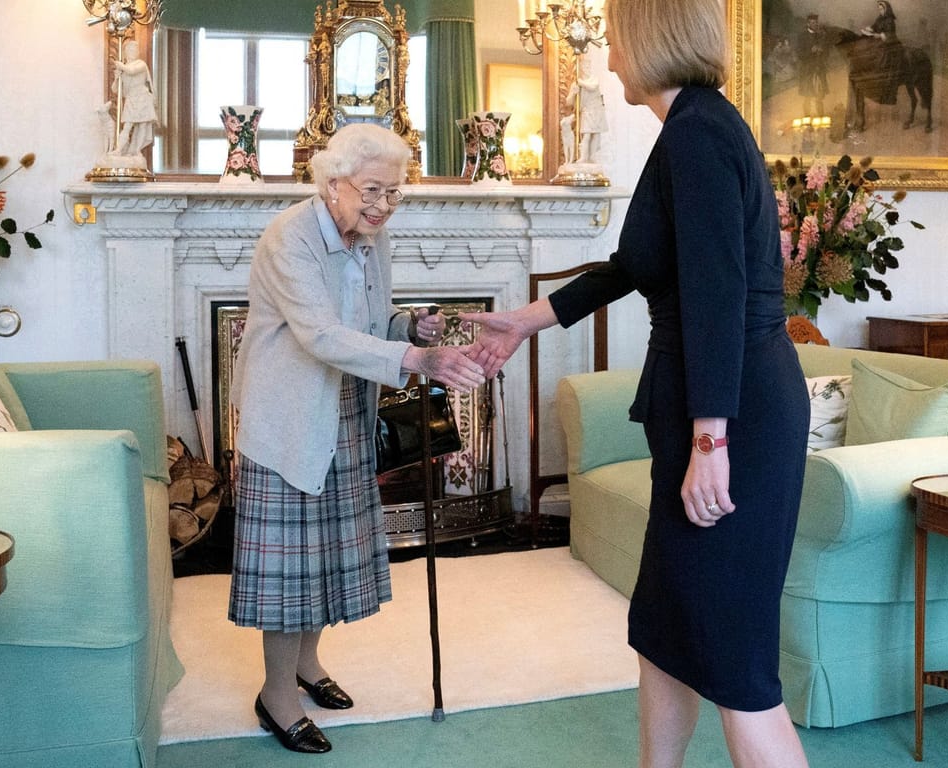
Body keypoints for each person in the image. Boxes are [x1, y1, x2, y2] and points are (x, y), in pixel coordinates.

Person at [464, 1, 811, 765]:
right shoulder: (688, 129)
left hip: (736, 416)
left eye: (616, 40)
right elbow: (637, 265)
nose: (610, 57)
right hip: (708, 405)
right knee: (664, 625)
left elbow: (718, 296)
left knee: (734, 659)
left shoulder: (697, 135)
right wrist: (529, 319)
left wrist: (711, 440)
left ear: (650, 39)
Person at [227, 123, 487, 754]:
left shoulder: (373, 240)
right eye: (373, 190)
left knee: (326, 556)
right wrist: (415, 362)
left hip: (345, 410)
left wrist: (413, 325)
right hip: (289, 417)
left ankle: (307, 666)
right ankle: (276, 697)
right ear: (332, 183)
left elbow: (371, 321)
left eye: (394, 194)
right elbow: (318, 334)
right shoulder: (290, 238)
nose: (382, 205)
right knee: (290, 569)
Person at [112, 39, 157, 159]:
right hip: (131, 99)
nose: (133, 51)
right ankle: (118, 150)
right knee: (127, 125)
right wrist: (117, 78)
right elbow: (115, 90)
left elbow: (132, 71)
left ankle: (136, 151)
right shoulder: (124, 68)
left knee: (142, 125)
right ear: (125, 52)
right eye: (130, 49)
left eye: (135, 49)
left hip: (142, 98)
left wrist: (121, 66)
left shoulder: (140, 64)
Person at [565, 54, 608, 165]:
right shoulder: (576, 83)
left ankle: (592, 157)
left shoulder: (593, 79)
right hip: (587, 111)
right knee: (587, 135)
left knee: (596, 135)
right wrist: (573, 94)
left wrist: (581, 83)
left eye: (588, 67)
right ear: (581, 68)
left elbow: (592, 86)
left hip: (597, 110)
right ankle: (584, 157)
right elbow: (568, 102)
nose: (587, 69)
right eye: (584, 67)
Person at [795, 13, 832, 117]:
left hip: (819, 69)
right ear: (808, 24)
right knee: (807, 96)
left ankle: (820, 118)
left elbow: (827, 52)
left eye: (816, 22)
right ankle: (807, 119)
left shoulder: (821, 36)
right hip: (807, 71)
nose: (815, 24)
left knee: (819, 96)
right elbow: (799, 54)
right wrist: (811, 51)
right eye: (812, 22)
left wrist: (823, 51)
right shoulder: (802, 37)